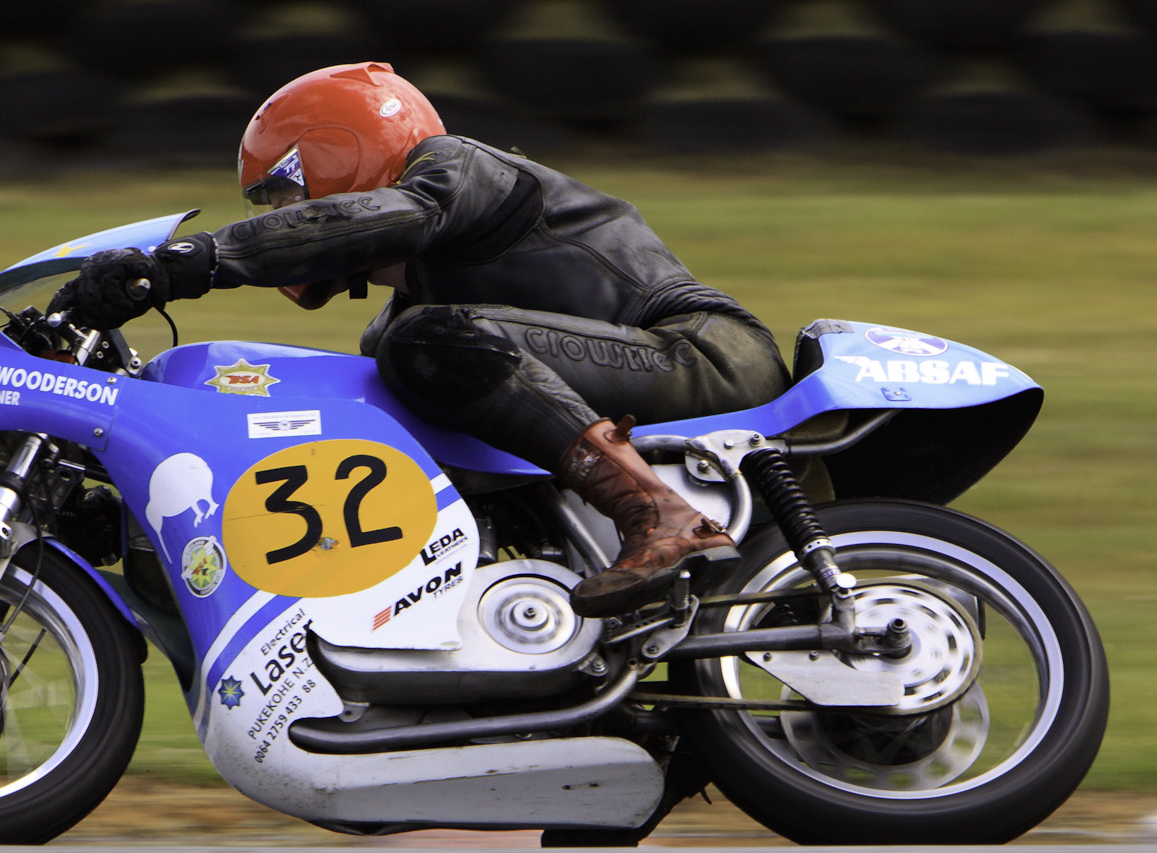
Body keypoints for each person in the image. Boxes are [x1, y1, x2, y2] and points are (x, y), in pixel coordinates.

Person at [50, 62, 790, 618]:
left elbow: (382, 217)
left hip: (702, 351)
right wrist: (134, 506)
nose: (282, 211)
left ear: (341, 151)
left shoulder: (457, 169)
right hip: (614, 362)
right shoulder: (406, 319)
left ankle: (659, 514)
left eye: (285, 188)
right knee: (390, 377)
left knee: (429, 342)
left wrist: (193, 260)